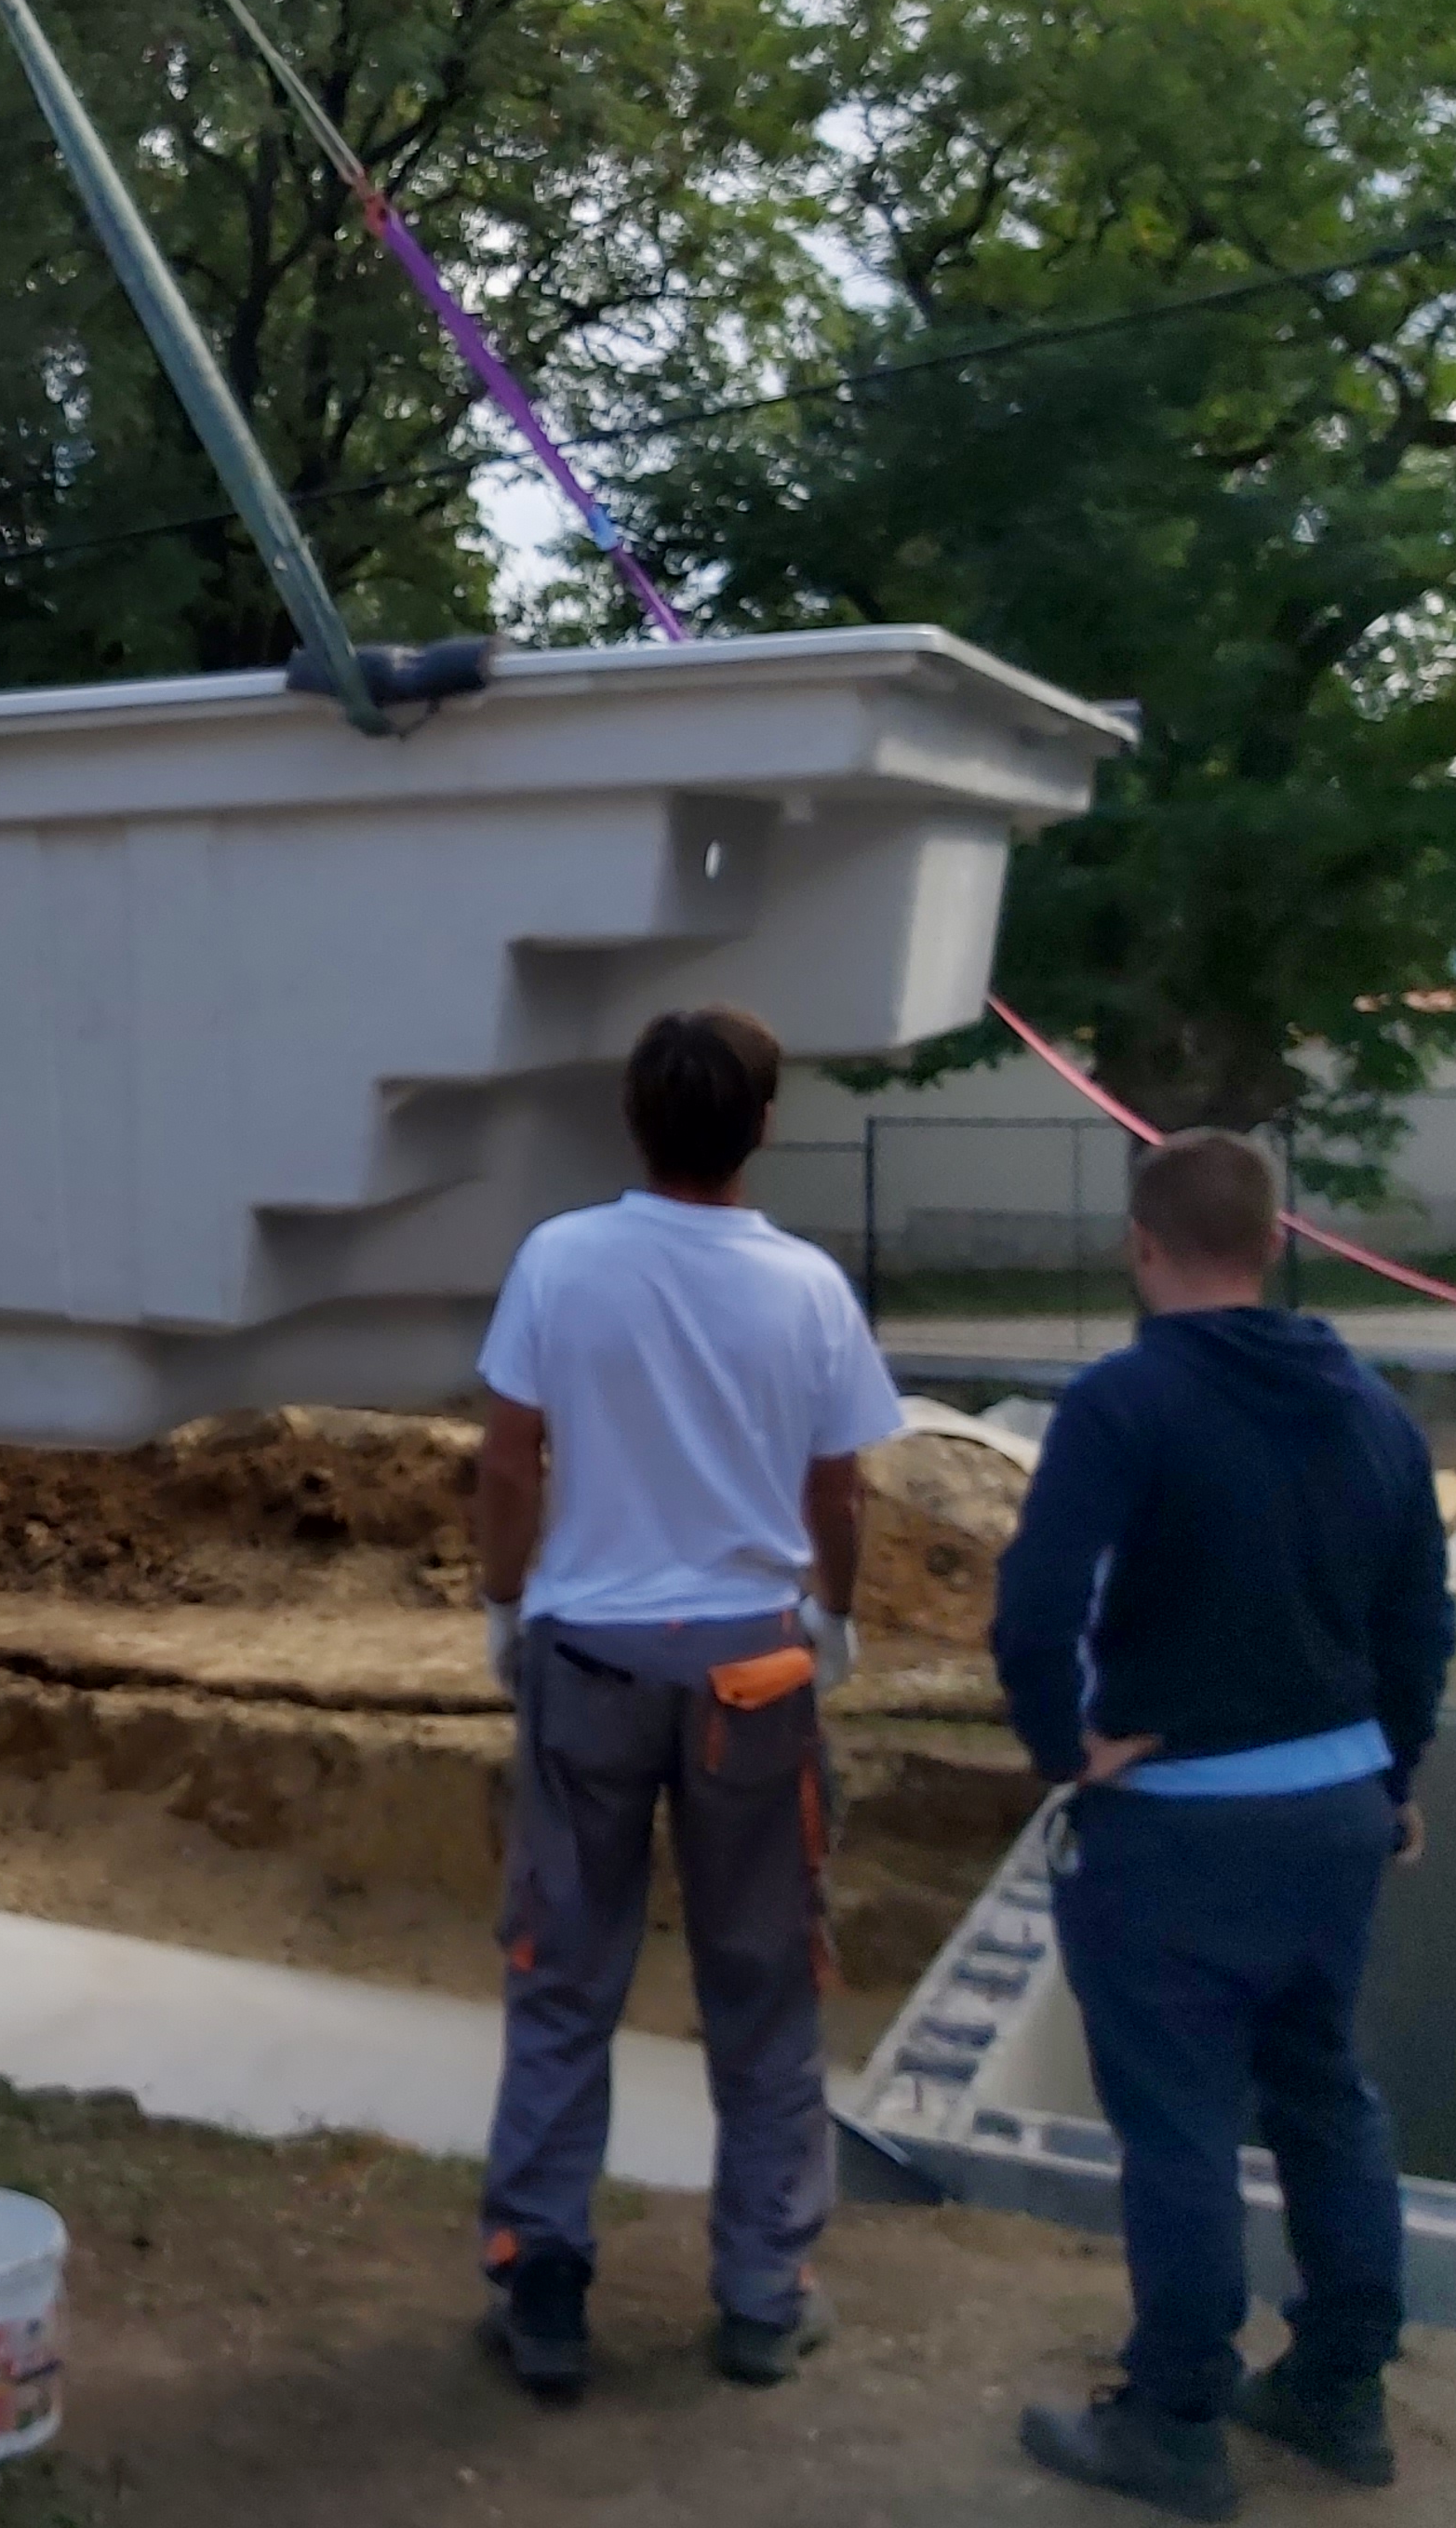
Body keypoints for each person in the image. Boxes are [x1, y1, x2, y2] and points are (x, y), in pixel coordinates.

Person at [995, 1129, 1456, 2521]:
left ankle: (1178, 2417)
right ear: (1275, 1242)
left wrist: (1062, 1752)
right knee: (1324, 2093)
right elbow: (1420, 1624)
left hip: (1178, 1827)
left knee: (1180, 2124)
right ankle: (1341, 2389)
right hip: (1333, 1814)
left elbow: (1034, 1607)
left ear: (1140, 1246)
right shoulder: (1372, 1409)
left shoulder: (1120, 1405)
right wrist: (1393, 1779)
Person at [471, 1004, 905, 2401]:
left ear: (632, 1119)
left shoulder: (561, 1260)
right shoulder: (807, 1289)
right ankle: (765, 2295)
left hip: (589, 1659)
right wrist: (834, 1615)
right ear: (763, 1126)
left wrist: (503, 1603)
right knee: (763, 1988)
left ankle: (542, 2284)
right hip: (752, 1673)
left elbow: (509, 1458)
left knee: (563, 1976)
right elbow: (840, 1488)